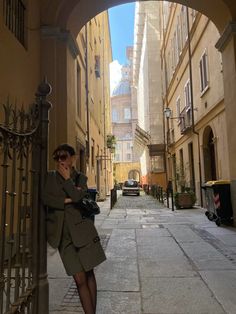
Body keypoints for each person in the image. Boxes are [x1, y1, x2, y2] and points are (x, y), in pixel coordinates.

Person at [42, 143, 106, 314]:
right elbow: (46, 199)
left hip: (82, 232)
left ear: (72, 158)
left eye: (63, 157)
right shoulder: (50, 177)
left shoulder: (81, 178)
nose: (60, 161)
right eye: (57, 158)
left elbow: (79, 196)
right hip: (63, 237)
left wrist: (68, 181)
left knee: (89, 274)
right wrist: (66, 200)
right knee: (79, 279)